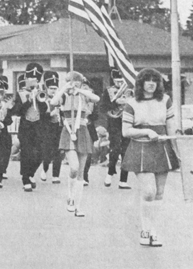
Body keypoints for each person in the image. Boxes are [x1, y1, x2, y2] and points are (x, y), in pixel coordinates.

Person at [121, 68, 178, 247]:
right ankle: (144, 230)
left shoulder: (166, 100)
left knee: (159, 193)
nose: (152, 83)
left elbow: (171, 128)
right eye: (148, 80)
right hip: (141, 148)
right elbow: (126, 131)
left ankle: (153, 231)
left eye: (155, 80)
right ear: (141, 83)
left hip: (162, 148)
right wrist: (146, 131)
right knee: (148, 192)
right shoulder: (131, 103)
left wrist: (178, 152)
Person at [51, 71, 100, 217]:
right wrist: (64, 88)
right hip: (68, 130)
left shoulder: (84, 94)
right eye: (71, 81)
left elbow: (96, 98)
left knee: (80, 173)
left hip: (82, 131)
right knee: (73, 167)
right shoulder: (64, 95)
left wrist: (80, 90)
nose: (74, 84)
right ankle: (70, 196)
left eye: (76, 82)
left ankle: (77, 205)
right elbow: (53, 102)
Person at [12, 63, 48, 192]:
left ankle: (30, 173)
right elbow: (17, 111)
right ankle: (25, 179)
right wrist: (29, 100)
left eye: (36, 79)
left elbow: (45, 111)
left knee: (41, 152)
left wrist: (38, 98)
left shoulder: (42, 93)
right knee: (26, 152)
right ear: (26, 79)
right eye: (30, 79)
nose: (33, 81)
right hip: (25, 127)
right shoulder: (20, 94)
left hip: (39, 126)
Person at [101, 68, 131, 189]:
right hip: (114, 121)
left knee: (126, 150)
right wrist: (115, 102)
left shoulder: (131, 90)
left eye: (121, 80)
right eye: (117, 81)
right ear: (113, 80)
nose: (119, 83)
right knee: (115, 148)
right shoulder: (108, 91)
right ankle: (110, 173)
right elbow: (103, 107)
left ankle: (123, 180)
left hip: (128, 122)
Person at [40, 71, 63, 184]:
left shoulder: (61, 98)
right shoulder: (42, 98)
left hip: (58, 127)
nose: (53, 91)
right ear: (46, 88)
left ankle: (55, 175)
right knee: (47, 151)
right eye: (51, 88)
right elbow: (39, 115)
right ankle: (44, 169)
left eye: (55, 88)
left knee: (58, 151)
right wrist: (50, 114)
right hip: (46, 128)